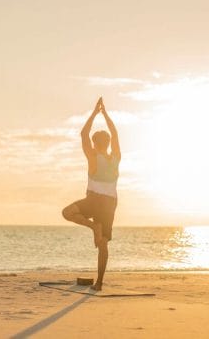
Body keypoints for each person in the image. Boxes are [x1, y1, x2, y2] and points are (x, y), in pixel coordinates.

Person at [62, 97, 120, 291]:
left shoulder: (93, 157)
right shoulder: (115, 158)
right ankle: (99, 283)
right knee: (103, 244)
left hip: (94, 200)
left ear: (95, 144)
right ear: (109, 143)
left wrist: (95, 113)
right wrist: (107, 114)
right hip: (110, 203)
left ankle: (93, 226)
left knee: (67, 212)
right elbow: (115, 133)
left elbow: (83, 133)